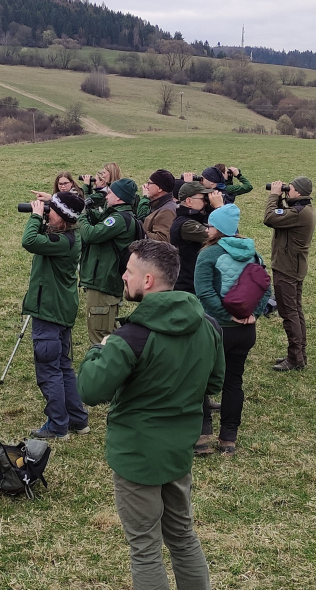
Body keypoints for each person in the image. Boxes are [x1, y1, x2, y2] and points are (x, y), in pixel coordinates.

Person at [78, 240, 222, 590]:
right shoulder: (208, 326)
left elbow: (90, 390)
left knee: (144, 547)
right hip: (178, 450)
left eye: (128, 270)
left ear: (147, 281)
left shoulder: (130, 338)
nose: (122, 275)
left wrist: (97, 353)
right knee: (182, 536)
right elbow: (214, 382)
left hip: (137, 453)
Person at [194, 204, 268, 456]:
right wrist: (252, 314)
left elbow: (203, 292)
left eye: (211, 225)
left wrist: (228, 315)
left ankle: (202, 436)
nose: (207, 229)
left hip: (215, 329)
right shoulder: (254, 253)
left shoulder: (208, 255)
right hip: (245, 332)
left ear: (220, 229)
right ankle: (228, 438)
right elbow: (265, 288)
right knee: (234, 382)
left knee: (200, 381)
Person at [22, 190, 91, 439]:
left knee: (49, 369)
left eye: (52, 211)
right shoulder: (69, 236)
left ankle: (57, 425)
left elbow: (29, 241)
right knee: (63, 367)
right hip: (61, 309)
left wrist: (35, 217)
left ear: (62, 218)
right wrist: (51, 202)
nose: (47, 213)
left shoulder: (62, 242)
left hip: (49, 312)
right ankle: (77, 420)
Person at [76, 176, 140, 363]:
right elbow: (98, 220)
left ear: (119, 198)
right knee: (109, 333)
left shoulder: (119, 219)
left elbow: (91, 233)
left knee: (100, 335)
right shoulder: (117, 215)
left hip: (103, 283)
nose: (107, 195)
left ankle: (104, 379)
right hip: (106, 281)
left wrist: (80, 215)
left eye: (110, 192)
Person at [264, 177, 315, 371]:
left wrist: (273, 195)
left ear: (299, 192)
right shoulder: (301, 209)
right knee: (295, 311)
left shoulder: (299, 212)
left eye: (290, 188)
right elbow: (281, 215)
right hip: (293, 266)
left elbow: (270, 218)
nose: (287, 190)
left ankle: (295, 358)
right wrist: (281, 197)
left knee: (289, 312)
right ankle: (298, 354)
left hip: (287, 269)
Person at [169, 182, 215, 295]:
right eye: (203, 198)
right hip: (188, 287)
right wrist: (219, 208)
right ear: (189, 201)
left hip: (193, 283)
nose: (205, 202)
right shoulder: (186, 225)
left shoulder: (194, 218)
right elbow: (217, 236)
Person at [140, 170, 179, 246]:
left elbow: (162, 240)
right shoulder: (160, 205)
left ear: (160, 188)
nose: (146, 186)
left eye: (149, 183)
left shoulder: (167, 211)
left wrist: (139, 230)